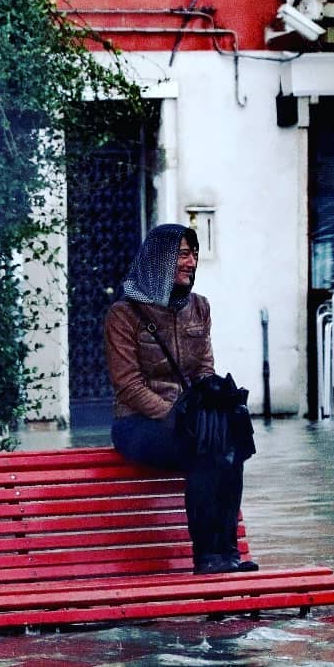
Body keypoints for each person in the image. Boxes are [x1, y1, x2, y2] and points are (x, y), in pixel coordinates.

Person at [103, 223, 257, 575]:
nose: (192, 262)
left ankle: (228, 553)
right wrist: (177, 417)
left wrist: (213, 408)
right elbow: (128, 385)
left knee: (232, 438)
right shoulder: (123, 315)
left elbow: (204, 367)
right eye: (183, 254)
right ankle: (207, 557)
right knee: (202, 445)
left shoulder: (199, 307)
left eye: (194, 254)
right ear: (160, 260)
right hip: (137, 425)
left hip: (188, 419)